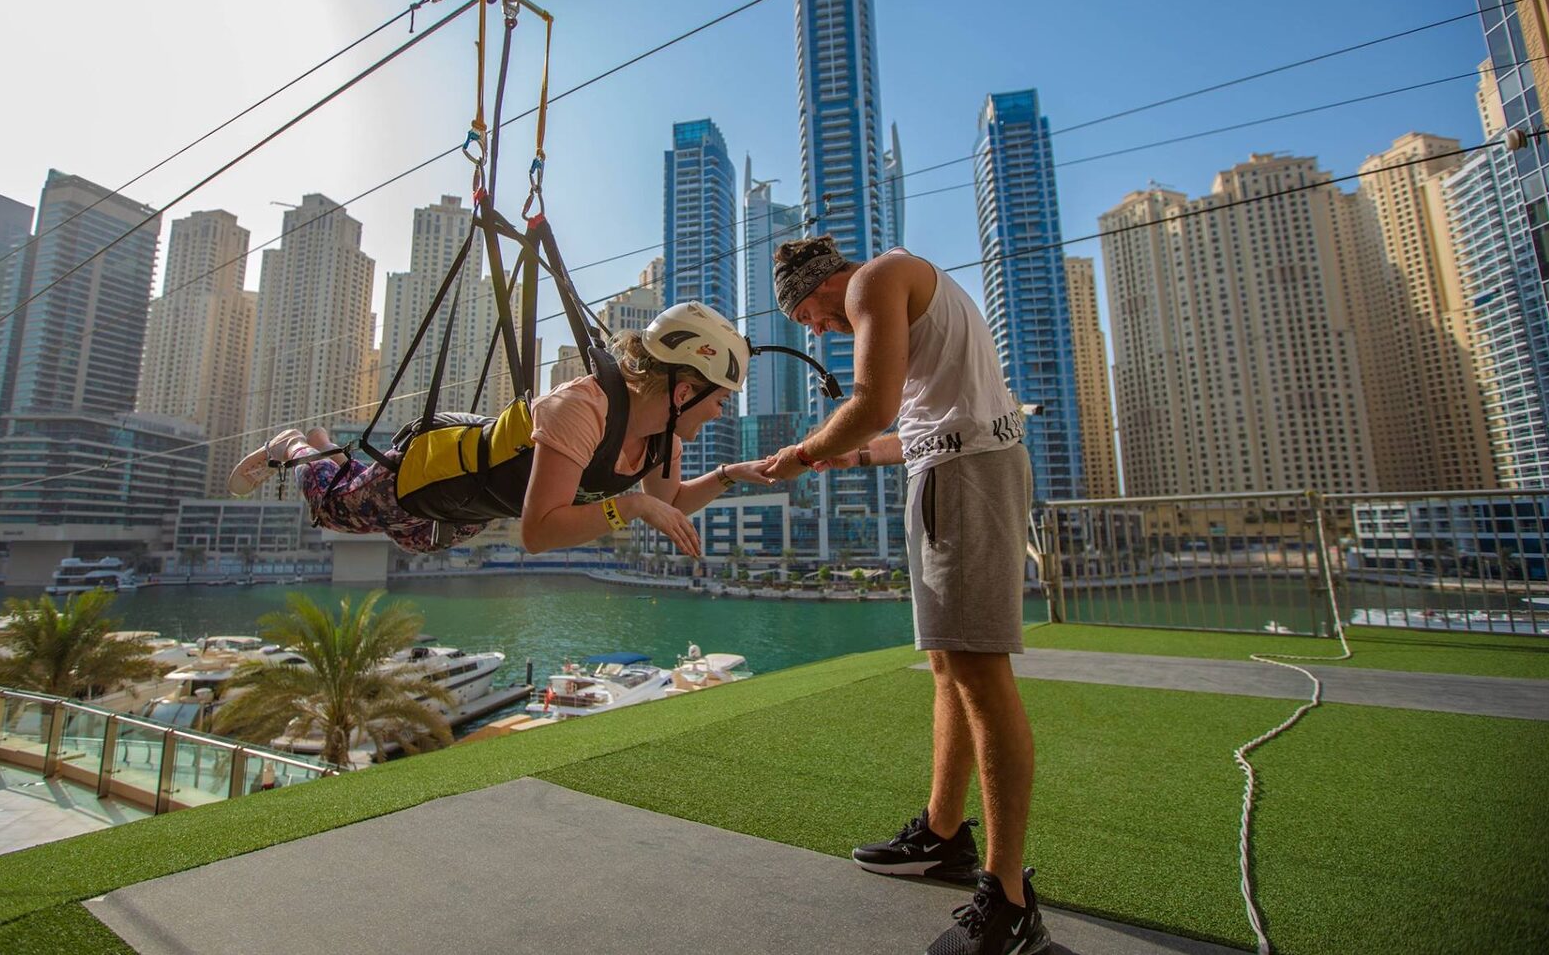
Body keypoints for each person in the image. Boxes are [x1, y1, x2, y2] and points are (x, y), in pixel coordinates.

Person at [759, 235, 1044, 955]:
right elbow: (911, 423)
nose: (819, 331)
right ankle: (944, 834)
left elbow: (871, 401)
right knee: (952, 667)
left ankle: (1010, 899)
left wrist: (804, 452)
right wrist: (849, 452)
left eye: (807, 319)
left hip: (969, 475)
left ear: (819, 288)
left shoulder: (872, 281)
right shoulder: (903, 290)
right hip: (951, 468)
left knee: (981, 672)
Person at [229, 302, 772, 558]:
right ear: (683, 392)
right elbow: (539, 534)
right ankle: (299, 446)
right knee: (332, 507)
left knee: (414, 540)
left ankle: (326, 449)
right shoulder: (582, 409)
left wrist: (730, 474)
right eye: (720, 401)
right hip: (432, 478)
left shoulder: (663, 441)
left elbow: (671, 501)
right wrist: (629, 506)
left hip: (468, 513)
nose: (720, 413)